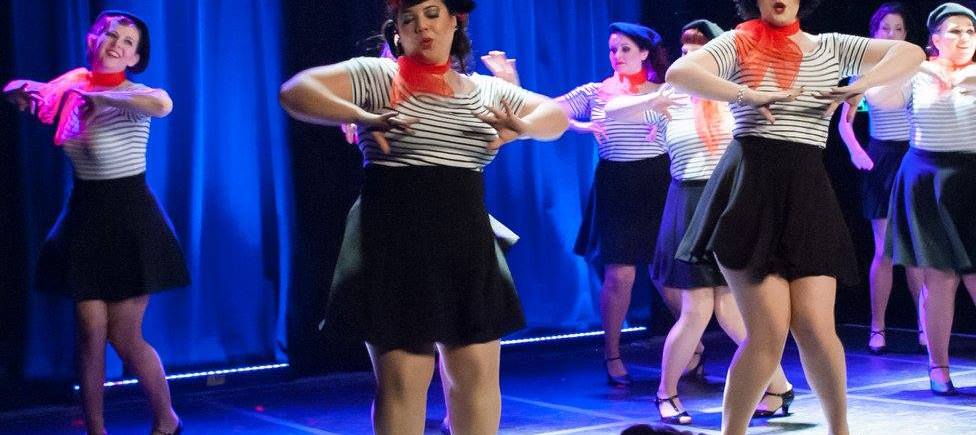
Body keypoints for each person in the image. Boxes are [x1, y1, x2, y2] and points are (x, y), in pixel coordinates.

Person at [278, 1, 568, 433]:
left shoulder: (484, 90)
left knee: (476, 378)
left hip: (465, 239)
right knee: (403, 381)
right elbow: (295, 91)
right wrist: (360, 115)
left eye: (432, 14)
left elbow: (556, 116)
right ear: (397, 31)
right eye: (408, 20)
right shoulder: (378, 76)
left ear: (455, 21)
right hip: (394, 240)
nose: (422, 27)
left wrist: (520, 129)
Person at [666, 1, 924, 434]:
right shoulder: (740, 43)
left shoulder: (830, 46)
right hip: (751, 188)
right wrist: (747, 95)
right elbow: (679, 73)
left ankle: (840, 429)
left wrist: (860, 84)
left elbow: (910, 53)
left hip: (806, 191)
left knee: (817, 328)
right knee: (767, 335)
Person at [3, 10, 187, 435]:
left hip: (131, 219)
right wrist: (26, 93)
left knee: (124, 336)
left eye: (127, 42)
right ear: (93, 39)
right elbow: (12, 88)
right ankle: (96, 431)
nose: (116, 44)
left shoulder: (135, 93)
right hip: (85, 215)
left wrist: (103, 98)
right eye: (110, 34)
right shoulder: (74, 83)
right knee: (89, 331)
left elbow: (164, 104)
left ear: (135, 57)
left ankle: (167, 419)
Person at [607, 19, 793, 425]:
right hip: (689, 204)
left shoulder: (734, 100)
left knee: (729, 307)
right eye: (685, 53)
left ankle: (778, 384)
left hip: (728, 205)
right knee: (696, 309)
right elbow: (613, 110)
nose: (690, 60)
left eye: (700, 53)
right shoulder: (671, 98)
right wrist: (654, 98)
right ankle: (666, 393)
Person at [556, 22, 692, 386]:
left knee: (665, 275)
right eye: (613, 49)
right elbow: (548, 111)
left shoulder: (663, 91)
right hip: (616, 183)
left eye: (625, 49)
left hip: (656, 181)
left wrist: (664, 129)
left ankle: (692, 345)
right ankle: (612, 353)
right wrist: (580, 127)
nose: (617, 56)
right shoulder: (596, 92)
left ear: (644, 53)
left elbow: (690, 123)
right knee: (620, 274)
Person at [866, 2, 976, 396]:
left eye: (970, 31)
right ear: (934, 38)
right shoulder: (917, 74)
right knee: (940, 279)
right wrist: (902, 61)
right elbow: (879, 98)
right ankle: (938, 367)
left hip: (972, 180)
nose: (964, 37)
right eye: (954, 30)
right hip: (928, 181)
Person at [837, 2, 927, 354]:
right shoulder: (864, 72)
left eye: (899, 29)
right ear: (875, 32)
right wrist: (856, 151)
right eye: (886, 28)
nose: (892, 34)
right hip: (881, 159)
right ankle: (878, 327)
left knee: (918, 251)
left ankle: (926, 325)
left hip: (914, 157)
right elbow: (844, 123)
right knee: (884, 249)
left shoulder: (918, 69)